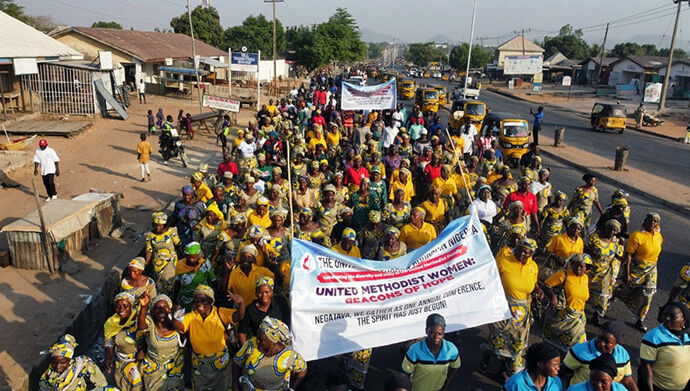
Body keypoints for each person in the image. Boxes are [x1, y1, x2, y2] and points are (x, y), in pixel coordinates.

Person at [483, 238, 543, 378]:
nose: (522, 254)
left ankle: (502, 371)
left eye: (526, 252)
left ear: (531, 254)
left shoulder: (533, 266)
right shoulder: (504, 261)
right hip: (503, 307)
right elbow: (490, 280)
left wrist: (538, 291)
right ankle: (483, 364)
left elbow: (533, 284)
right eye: (520, 250)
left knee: (515, 340)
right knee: (496, 337)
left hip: (521, 312)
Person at [173, 285, 245, 391]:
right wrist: (177, 315)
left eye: (203, 300)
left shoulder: (220, 313)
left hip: (220, 365)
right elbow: (179, 327)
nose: (199, 303)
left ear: (211, 301)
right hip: (200, 366)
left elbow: (238, 316)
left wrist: (241, 303)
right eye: (196, 300)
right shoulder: (192, 316)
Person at [615, 212, 663, 332]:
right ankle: (609, 297)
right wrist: (627, 274)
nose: (652, 223)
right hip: (636, 268)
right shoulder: (637, 235)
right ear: (644, 221)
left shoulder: (658, 235)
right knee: (622, 288)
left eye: (655, 221)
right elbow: (629, 255)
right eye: (650, 220)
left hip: (651, 269)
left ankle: (640, 319)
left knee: (649, 292)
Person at [233, 317, 308, 391]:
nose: (257, 340)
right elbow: (237, 363)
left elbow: (302, 369)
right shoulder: (251, 344)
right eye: (257, 335)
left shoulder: (288, 356)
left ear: (272, 340)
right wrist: (235, 387)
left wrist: (292, 388)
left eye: (261, 339)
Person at [561, 321, 638, 391]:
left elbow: (627, 380)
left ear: (616, 343)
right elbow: (562, 371)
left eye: (607, 342)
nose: (601, 343)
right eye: (599, 338)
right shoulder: (580, 351)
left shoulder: (623, 355)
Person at [542, 254, 590, 351]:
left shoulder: (585, 278)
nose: (578, 268)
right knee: (553, 346)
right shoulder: (564, 275)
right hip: (561, 317)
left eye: (582, 266)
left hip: (577, 319)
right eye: (576, 265)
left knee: (576, 345)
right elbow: (546, 285)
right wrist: (553, 297)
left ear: (586, 268)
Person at [638, 302, 690, 391]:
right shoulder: (654, 337)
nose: (667, 318)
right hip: (659, 388)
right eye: (665, 315)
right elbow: (646, 366)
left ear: (683, 319)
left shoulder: (687, 335)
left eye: (672, 316)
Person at [402, 313, 461, 391]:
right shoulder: (414, 350)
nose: (436, 337)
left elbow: (455, 367)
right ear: (426, 331)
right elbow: (406, 374)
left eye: (439, 334)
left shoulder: (451, 349)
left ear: (444, 333)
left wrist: (446, 385)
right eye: (432, 333)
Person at [137, 293, 183, 391]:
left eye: (164, 307)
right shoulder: (150, 323)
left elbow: (182, 330)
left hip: (173, 368)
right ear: (153, 311)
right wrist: (143, 306)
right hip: (153, 369)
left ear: (169, 309)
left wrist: (176, 316)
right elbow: (141, 326)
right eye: (157, 307)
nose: (161, 310)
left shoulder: (176, 322)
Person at [39, 334, 108, 391]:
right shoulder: (49, 375)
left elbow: (101, 384)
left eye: (62, 363)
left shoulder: (82, 364)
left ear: (69, 360)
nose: (58, 366)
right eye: (54, 363)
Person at [103, 292, 142, 391]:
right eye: (118, 306)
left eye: (125, 306)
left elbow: (147, 337)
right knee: (122, 384)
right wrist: (108, 359)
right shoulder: (110, 323)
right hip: (121, 359)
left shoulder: (138, 319)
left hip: (137, 359)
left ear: (131, 306)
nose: (121, 310)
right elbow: (109, 343)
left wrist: (142, 351)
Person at [238, 276, 290, 345]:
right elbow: (242, 332)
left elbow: (288, 321)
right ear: (256, 293)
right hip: (261, 346)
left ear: (271, 292)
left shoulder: (280, 302)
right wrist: (245, 350)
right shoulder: (250, 310)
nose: (263, 295)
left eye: (266, 292)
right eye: (260, 292)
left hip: (281, 344)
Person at [173, 242, 217, 311]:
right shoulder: (179, 265)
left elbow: (212, 279)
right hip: (186, 299)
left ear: (198, 256)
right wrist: (174, 299)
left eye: (193, 258)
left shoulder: (204, 264)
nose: (191, 260)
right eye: (188, 258)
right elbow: (177, 283)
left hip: (202, 300)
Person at [144, 212, 180, 295]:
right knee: (159, 282)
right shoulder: (150, 235)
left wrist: (183, 256)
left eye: (160, 225)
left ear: (164, 225)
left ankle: (170, 298)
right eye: (155, 225)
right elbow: (149, 250)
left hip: (170, 260)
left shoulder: (170, 232)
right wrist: (146, 263)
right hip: (157, 262)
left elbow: (178, 244)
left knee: (169, 280)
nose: (157, 227)